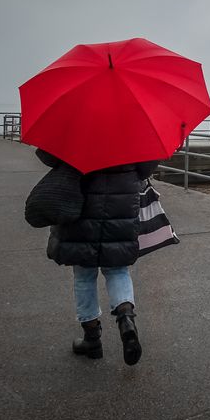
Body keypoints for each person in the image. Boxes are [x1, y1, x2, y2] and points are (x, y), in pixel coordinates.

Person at [25, 149, 160, 365]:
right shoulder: (131, 129)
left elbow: (48, 157)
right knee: (117, 269)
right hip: (121, 205)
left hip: (81, 203)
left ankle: (92, 340)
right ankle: (126, 320)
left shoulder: (75, 126)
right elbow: (146, 168)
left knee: (84, 275)